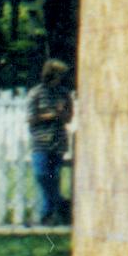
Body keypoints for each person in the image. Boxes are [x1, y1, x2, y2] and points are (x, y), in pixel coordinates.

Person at [25, 59, 74, 226]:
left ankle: (47, 215)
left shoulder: (64, 93)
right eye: (59, 74)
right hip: (40, 141)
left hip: (58, 141)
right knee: (42, 175)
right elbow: (31, 118)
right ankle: (61, 203)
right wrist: (52, 114)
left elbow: (68, 117)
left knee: (54, 177)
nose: (61, 77)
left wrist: (62, 113)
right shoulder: (36, 93)